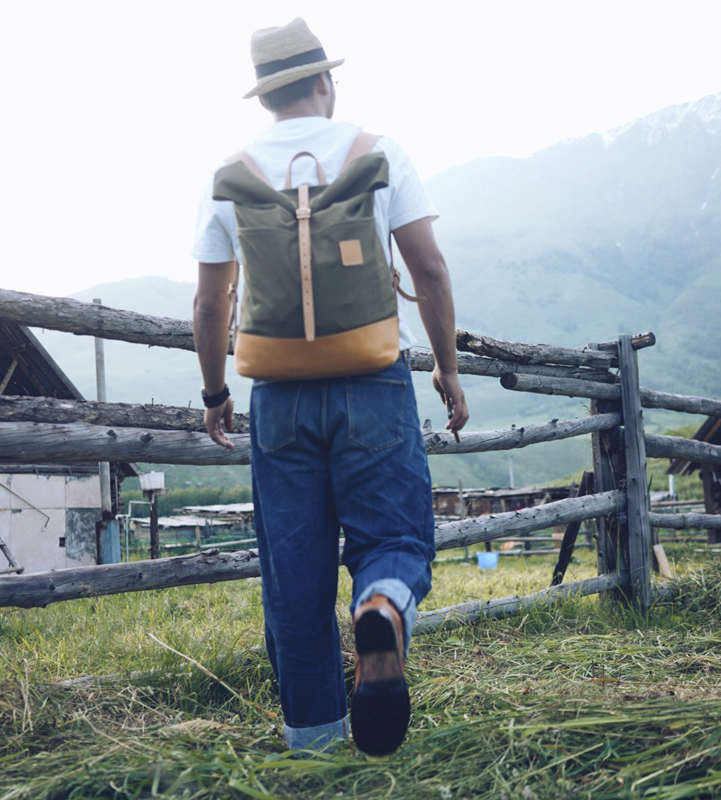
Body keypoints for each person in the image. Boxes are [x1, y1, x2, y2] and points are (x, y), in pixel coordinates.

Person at [192, 18, 468, 756]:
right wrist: (444, 365)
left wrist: (216, 393)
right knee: (396, 537)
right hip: (373, 381)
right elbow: (431, 270)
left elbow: (212, 303)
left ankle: (313, 741)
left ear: (265, 97)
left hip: (277, 396)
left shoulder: (232, 174)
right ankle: (380, 606)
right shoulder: (379, 153)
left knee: (295, 573)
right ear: (325, 80)